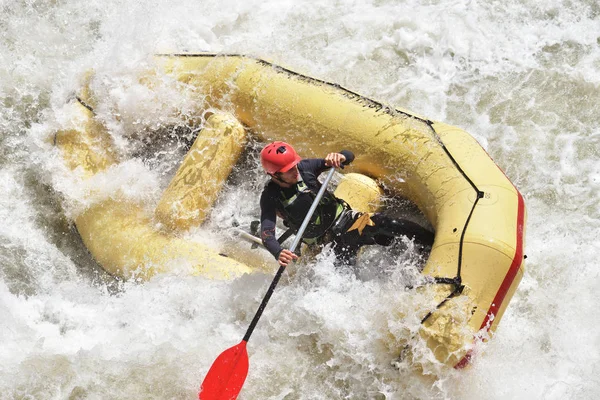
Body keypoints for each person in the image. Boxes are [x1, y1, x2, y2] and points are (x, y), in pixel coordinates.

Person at [259, 141, 434, 267]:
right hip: (325, 243)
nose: (294, 171)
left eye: (294, 166)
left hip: (347, 220)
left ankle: (432, 243)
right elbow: (267, 233)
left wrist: (340, 156)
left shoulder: (304, 167)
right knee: (345, 271)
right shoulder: (270, 196)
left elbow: (348, 156)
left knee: (388, 224)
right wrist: (277, 251)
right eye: (288, 171)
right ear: (274, 175)